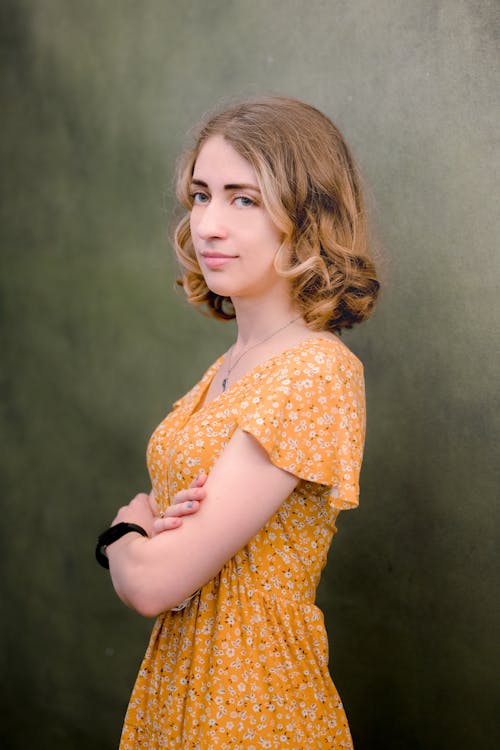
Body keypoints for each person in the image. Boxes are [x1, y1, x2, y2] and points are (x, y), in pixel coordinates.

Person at [97, 95, 379, 748]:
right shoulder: (234, 363)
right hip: (184, 685)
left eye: (243, 199)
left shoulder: (314, 371)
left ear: (307, 218)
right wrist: (150, 541)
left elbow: (155, 583)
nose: (209, 226)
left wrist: (121, 533)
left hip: (253, 704)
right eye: (201, 195)